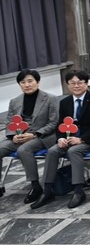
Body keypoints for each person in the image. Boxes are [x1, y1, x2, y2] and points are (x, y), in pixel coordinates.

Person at [32, 70, 90, 208]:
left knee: (74, 151)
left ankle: (78, 190)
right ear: (67, 85)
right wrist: (60, 138)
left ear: (87, 84)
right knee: (52, 151)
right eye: (72, 83)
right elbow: (60, 124)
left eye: (80, 82)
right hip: (69, 137)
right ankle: (47, 190)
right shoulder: (65, 102)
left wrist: (82, 139)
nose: (76, 86)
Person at [0, 69, 58, 202]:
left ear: (38, 82)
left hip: (41, 136)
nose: (27, 85)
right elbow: (9, 122)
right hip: (19, 136)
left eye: (30, 81)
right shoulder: (15, 101)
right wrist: (13, 136)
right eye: (23, 82)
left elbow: (54, 122)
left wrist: (34, 134)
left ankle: (35, 185)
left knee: (24, 150)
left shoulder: (50, 99)